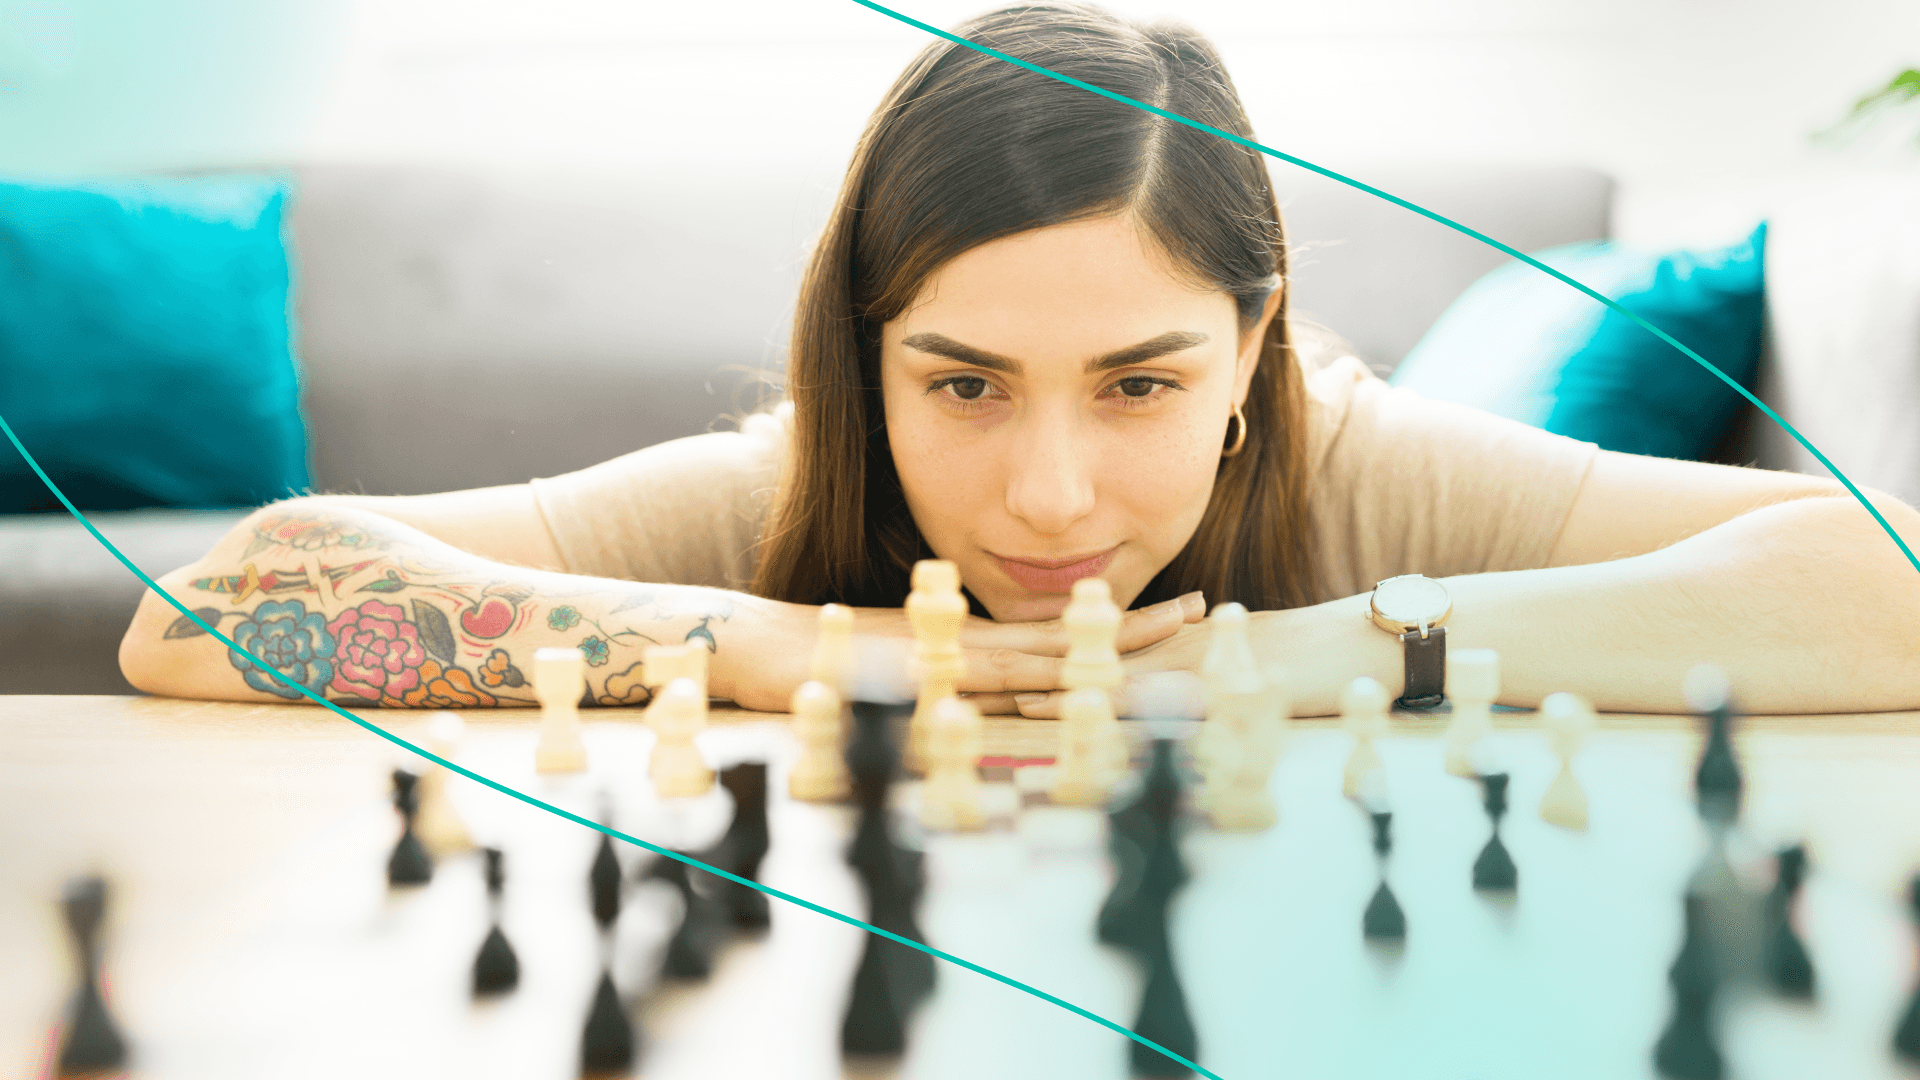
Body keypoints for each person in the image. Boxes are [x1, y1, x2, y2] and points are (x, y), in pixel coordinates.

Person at [119, 3, 1920, 717]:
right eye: (962, 385)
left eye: (1140, 383)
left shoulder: (1369, 467)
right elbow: (204, 605)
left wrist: (1290, 663)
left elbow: (1891, 579)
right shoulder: (781, 498)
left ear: (1252, 351)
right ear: (867, 364)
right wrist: (760, 643)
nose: (1049, 494)